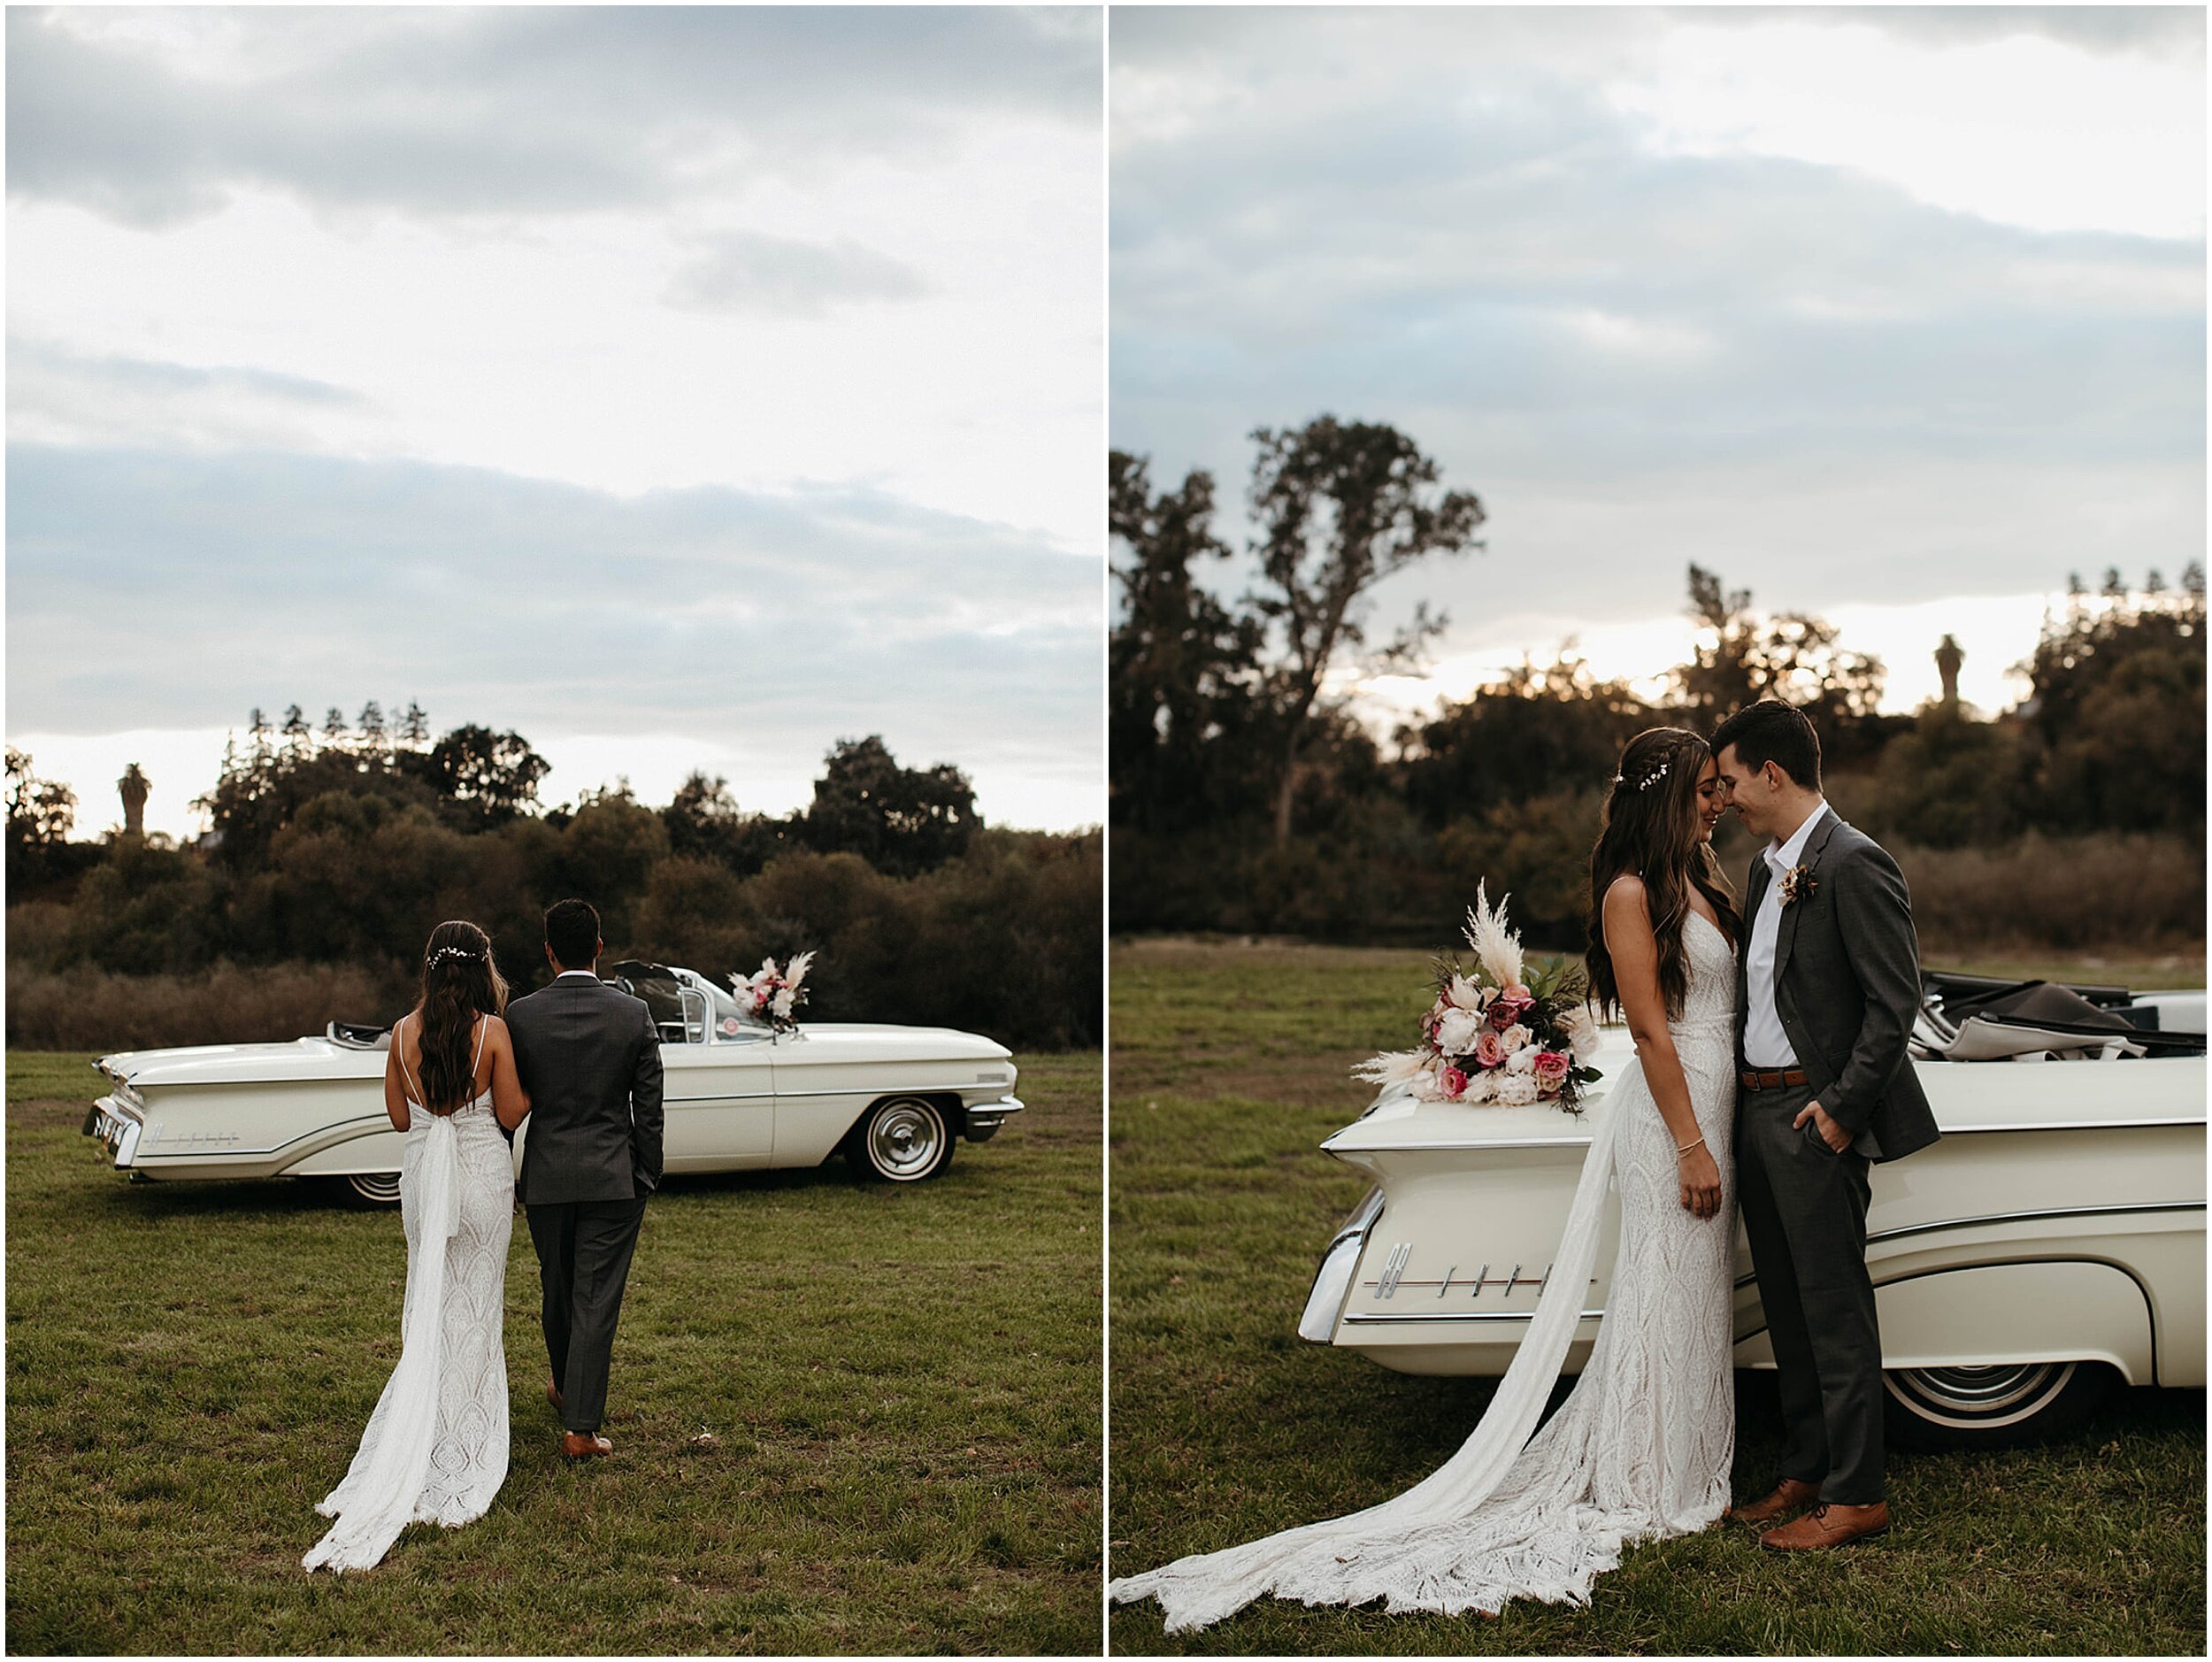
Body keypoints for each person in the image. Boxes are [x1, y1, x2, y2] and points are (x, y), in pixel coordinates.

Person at [1109, 726, 1742, 1629]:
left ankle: (1682, 1460)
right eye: (1702, 788)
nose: (1716, 802)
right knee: (1665, 1293)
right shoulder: (1632, 892)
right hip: (1676, 1117)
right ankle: (1649, 1475)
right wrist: (1689, 1144)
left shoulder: (1700, 880)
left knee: (1696, 1296)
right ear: (1665, 794)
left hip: (1716, 1101)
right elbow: (1648, 1030)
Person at [1711, 699, 1939, 1551]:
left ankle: (1858, 1495)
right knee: (1786, 1304)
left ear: (1772, 773)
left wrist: (1841, 1112)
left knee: (1835, 1308)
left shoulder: (1856, 861)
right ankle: (1805, 1470)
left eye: (1732, 780)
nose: (1725, 796)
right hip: (1757, 1109)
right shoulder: (1770, 869)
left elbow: (1895, 1003)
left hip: (1815, 1113)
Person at [304, 919, 530, 1573]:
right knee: (474, 1309)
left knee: (432, 1308)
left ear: (429, 967)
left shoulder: (401, 1034)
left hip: (425, 1179)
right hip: (481, 1177)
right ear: (482, 967)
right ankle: (462, 1445)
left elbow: (401, 1118)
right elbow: (512, 1114)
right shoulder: (493, 1032)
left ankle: (424, 1433)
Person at [504, 898, 664, 1462]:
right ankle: (579, 1427)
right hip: (612, 1177)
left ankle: (567, 1389)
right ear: (600, 946)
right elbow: (649, 1108)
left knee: (559, 1288)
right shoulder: (633, 1014)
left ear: (548, 951)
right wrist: (646, 1173)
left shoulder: (519, 1016)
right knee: (595, 1298)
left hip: (546, 1175)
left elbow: (505, 1106)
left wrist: (507, 1173)